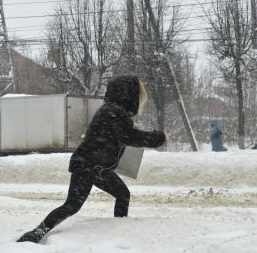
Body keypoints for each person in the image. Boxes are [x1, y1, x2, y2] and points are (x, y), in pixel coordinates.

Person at [16, 75, 167, 243]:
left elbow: (122, 134)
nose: (138, 99)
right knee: (72, 206)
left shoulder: (113, 110)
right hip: (87, 166)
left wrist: (130, 129)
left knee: (122, 194)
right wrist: (158, 138)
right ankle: (35, 234)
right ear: (128, 94)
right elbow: (129, 137)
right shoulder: (113, 112)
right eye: (137, 95)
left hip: (97, 168)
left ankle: (119, 229)